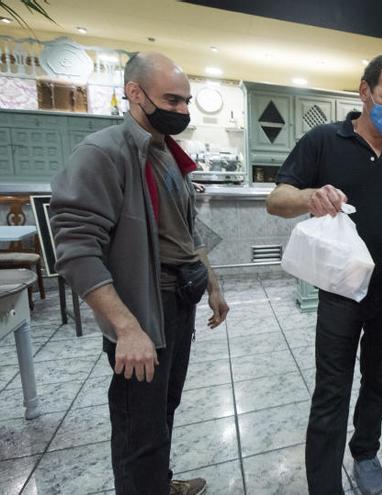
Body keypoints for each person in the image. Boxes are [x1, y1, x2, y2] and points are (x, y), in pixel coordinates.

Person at [50, 52, 229, 495]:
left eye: (186, 101)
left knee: (162, 410)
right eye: (172, 99)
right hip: (142, 309)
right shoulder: (103, 153)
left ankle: (159, 485)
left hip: (177, 304)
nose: (183, 110)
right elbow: (75, 250)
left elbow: (186, 230)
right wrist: (126, 328)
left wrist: (213, 282)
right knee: (137, 427)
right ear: (135, 93)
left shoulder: (167, 153)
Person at [266, 54, 382, 495]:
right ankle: (324, 485)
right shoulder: (325, 140)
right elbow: (277, 198)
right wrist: (310, 195)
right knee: (332, 390)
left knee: (379, 379)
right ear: (364, 92)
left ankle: (365, 451)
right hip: (342, 289)